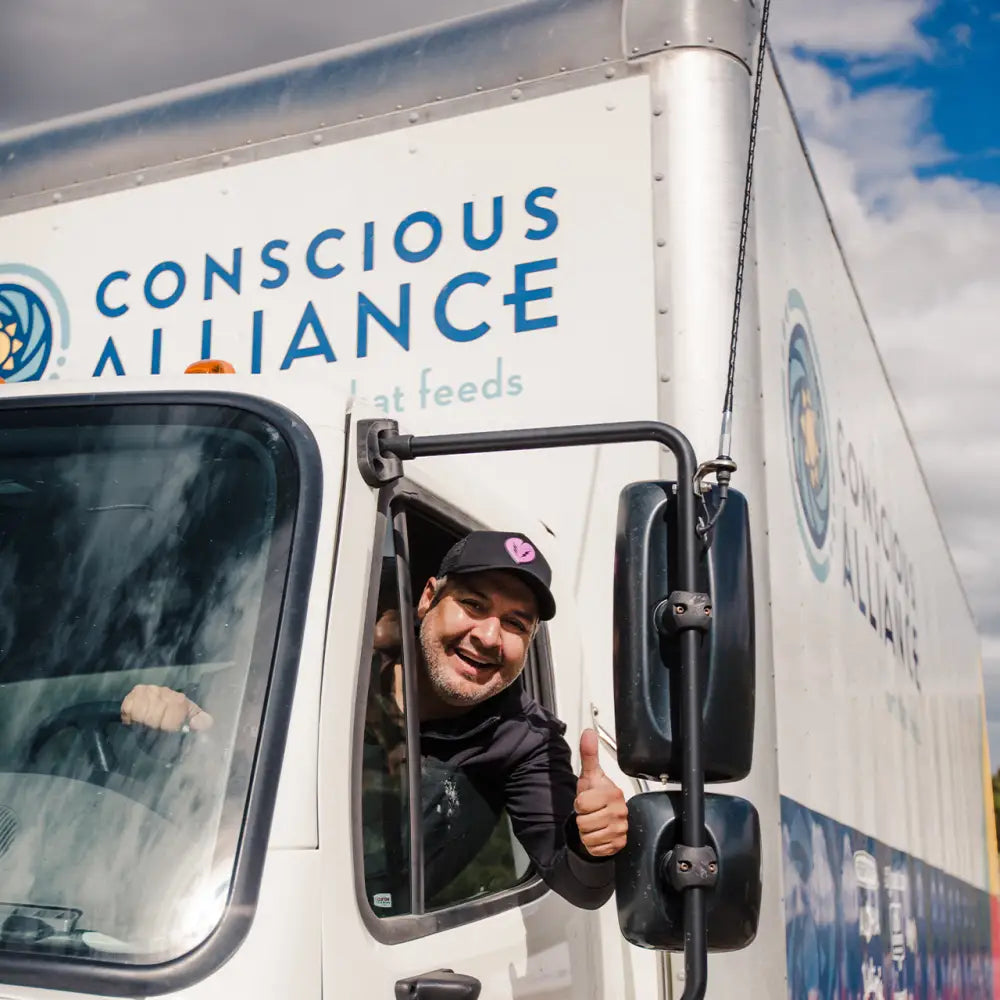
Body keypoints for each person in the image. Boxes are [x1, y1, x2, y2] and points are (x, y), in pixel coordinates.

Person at [120, 530, 629, 910]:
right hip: (208, 909)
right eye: (473, 605)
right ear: (428, 598)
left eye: (516, 624)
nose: (490, 636)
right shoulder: (320, 666)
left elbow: (580, 887)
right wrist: (175, 721)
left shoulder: (526, 738)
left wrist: (593, 840)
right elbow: (216, 748)